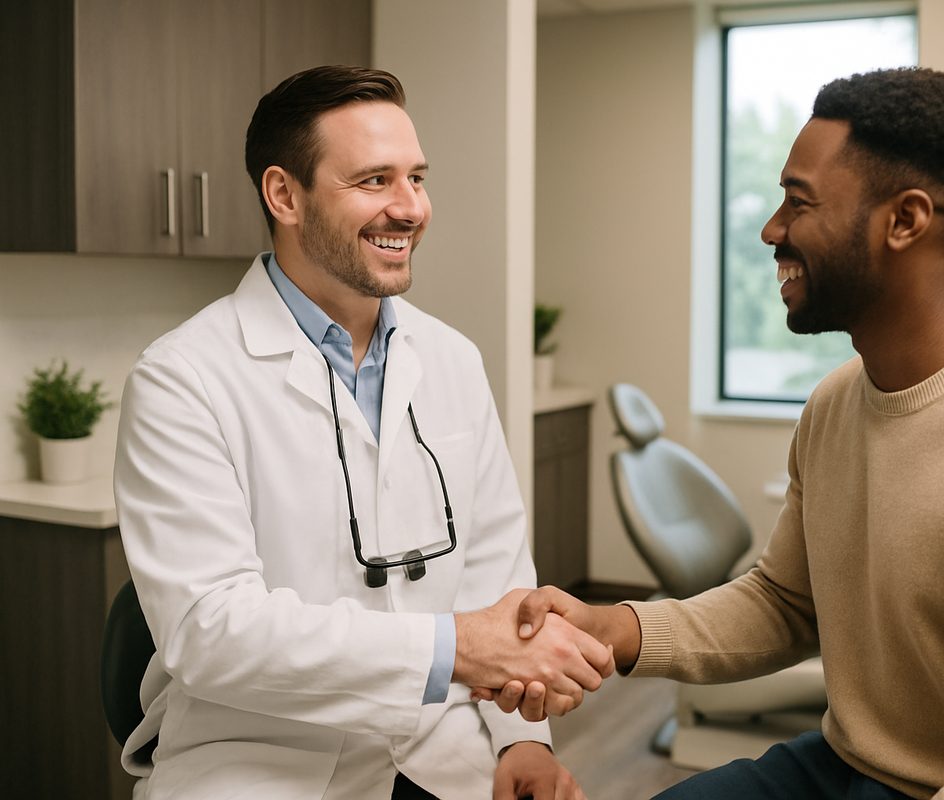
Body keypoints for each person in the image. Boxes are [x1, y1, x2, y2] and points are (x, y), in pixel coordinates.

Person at [486, 67, 944, 799]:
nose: (771, 229)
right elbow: (787, 601)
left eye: (798, 202)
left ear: (904, 221)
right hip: (841, 766)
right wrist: (612, 628)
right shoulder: (837, 403)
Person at [113, 65, 613, 800]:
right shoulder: (182, 377)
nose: (410, 208)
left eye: (416, 177)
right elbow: (211, 632)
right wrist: (456, 648)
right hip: (260, 756)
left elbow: (497, 573)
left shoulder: (452, 360)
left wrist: (522, 741)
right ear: (285, 195)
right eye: (375, 180)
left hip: (439, 746)